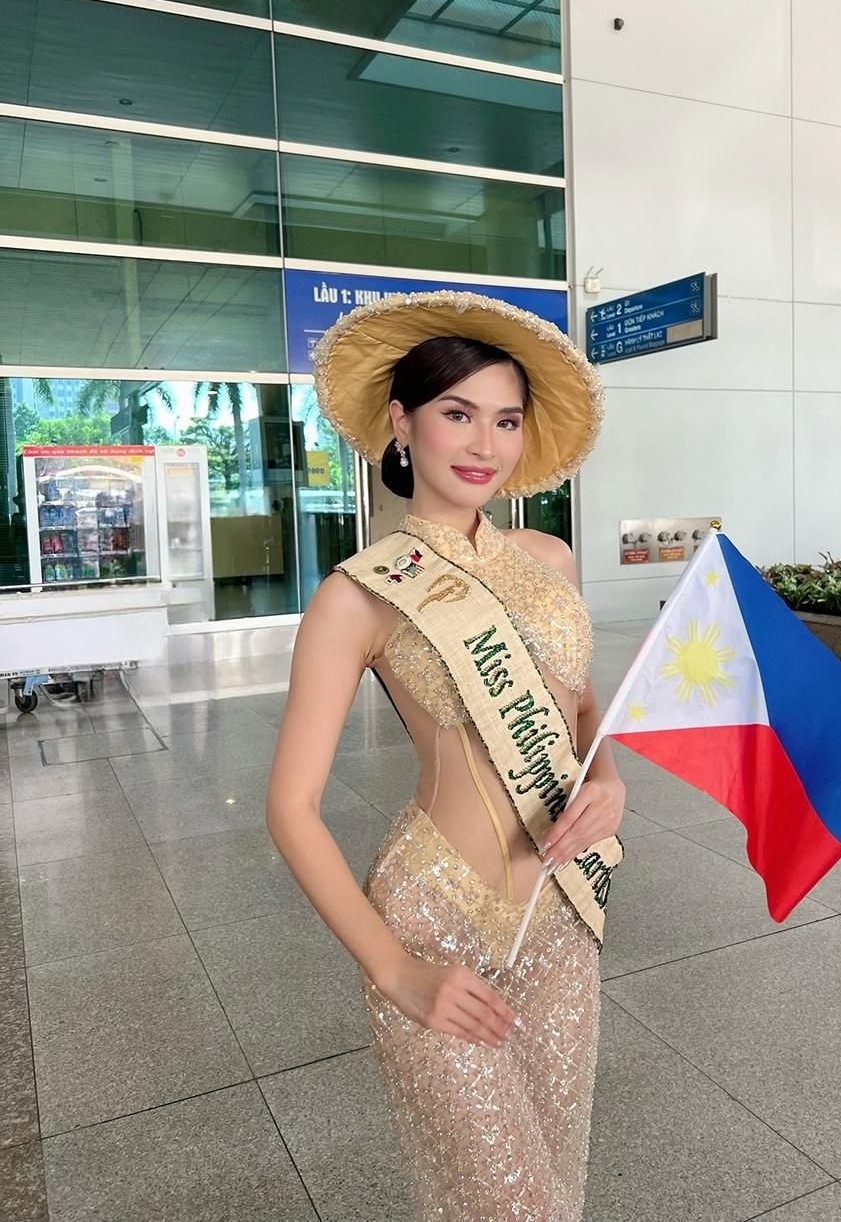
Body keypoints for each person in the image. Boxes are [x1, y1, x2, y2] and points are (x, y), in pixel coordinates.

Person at [265, 290, 626, 1222]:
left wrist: (611, 780)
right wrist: (394, 967)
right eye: (457, 413)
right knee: (508, 1203)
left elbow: (580, 706)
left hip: (562, 918)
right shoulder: (359, 595)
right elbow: (291, 807)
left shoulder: (551, 559)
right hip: (433, 924)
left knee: (557, 1189)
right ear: (402, 423)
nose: (483, 443)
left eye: (505, 419)